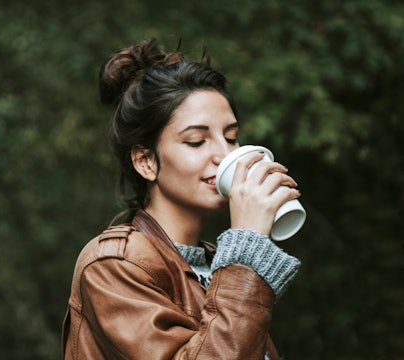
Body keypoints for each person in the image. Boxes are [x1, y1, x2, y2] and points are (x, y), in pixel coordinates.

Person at [62, 38, 301, 360]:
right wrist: (248, 244)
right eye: (196, 141)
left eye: (230, 137)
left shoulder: (218, 264)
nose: (225, 154)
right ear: (146, 161)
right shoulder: (114, 264)